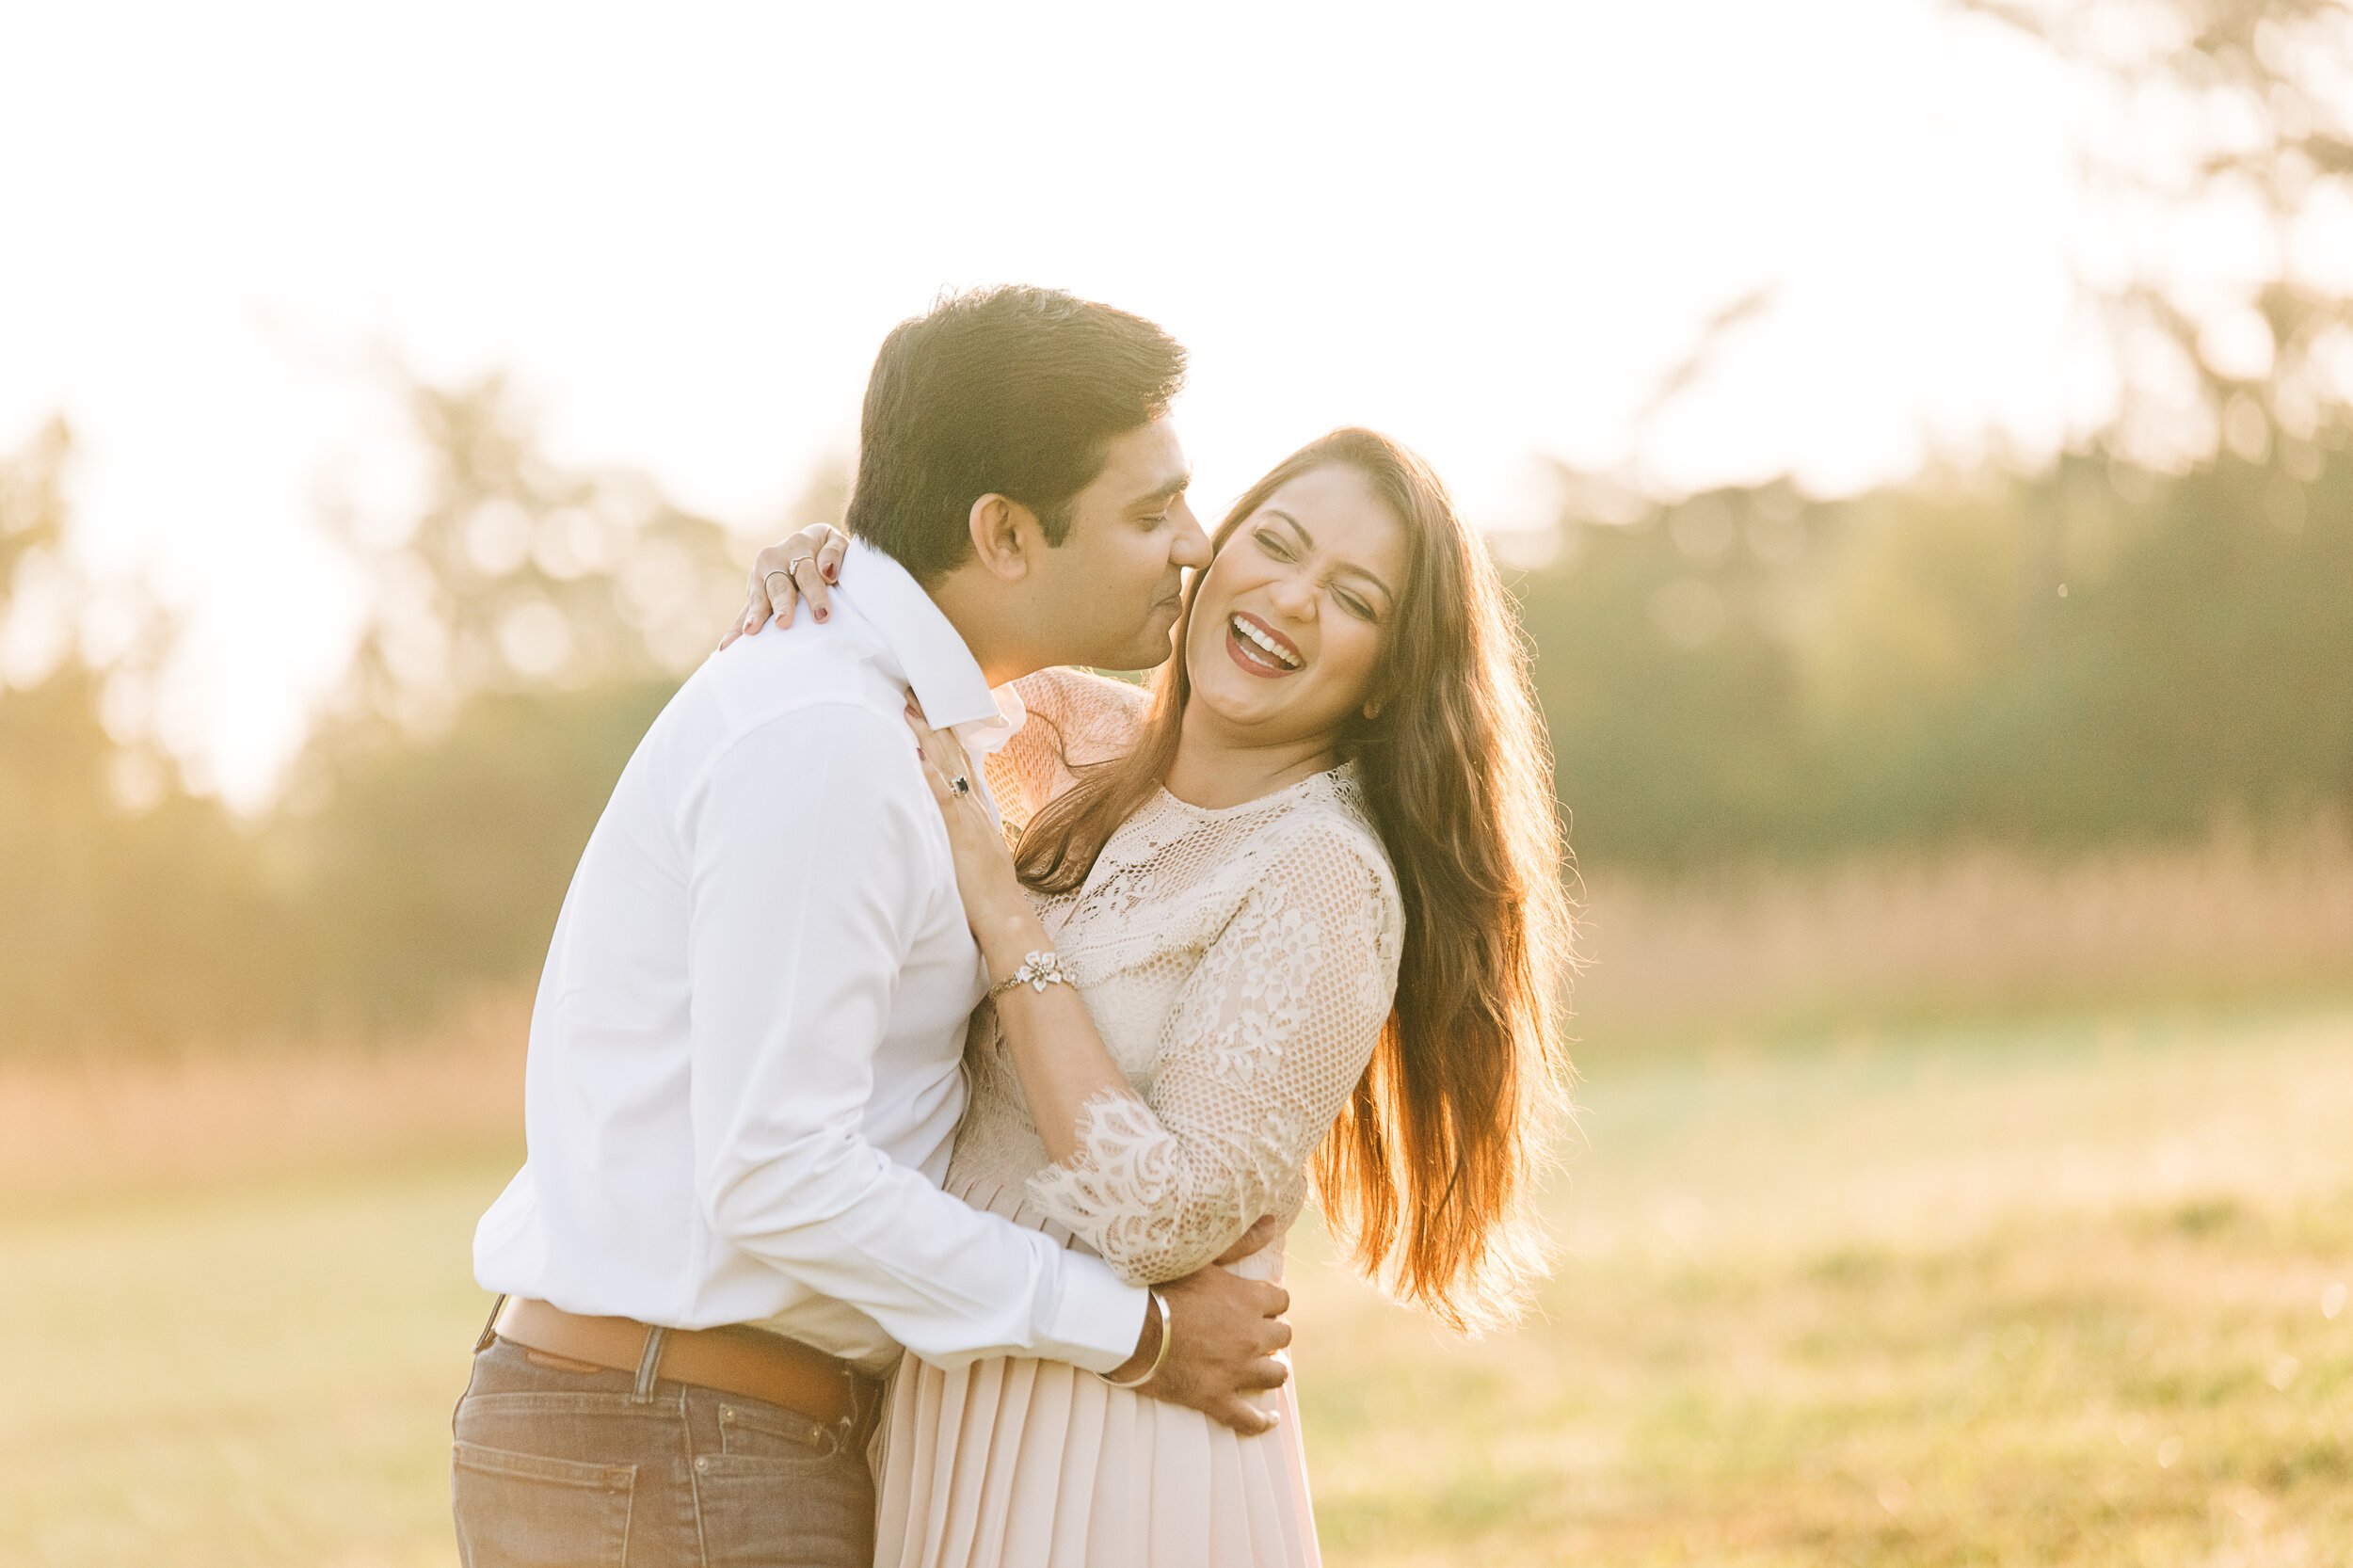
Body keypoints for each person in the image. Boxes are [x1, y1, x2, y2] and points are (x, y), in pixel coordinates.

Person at [450, 286, 1297, 1568]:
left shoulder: (911, 714)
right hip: (680, 1446)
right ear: (1005, 532)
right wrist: (1138, 1331)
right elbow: (777, 1169)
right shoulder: (831, 737)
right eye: (1148, 511)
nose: (1194, 543)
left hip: (685, 1433)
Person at [729, 427, 1575, 1566]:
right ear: (1212, 555)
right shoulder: (1086, 743)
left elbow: (1161, 1218)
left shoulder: (1322, 874)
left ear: (1387, 680)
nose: (1291, 598)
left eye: (1354, 598)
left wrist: (1003, 905)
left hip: (1119, 1447)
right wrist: (838, 571)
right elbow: (904, 673)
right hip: (957, 1405)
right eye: (1274, 544)